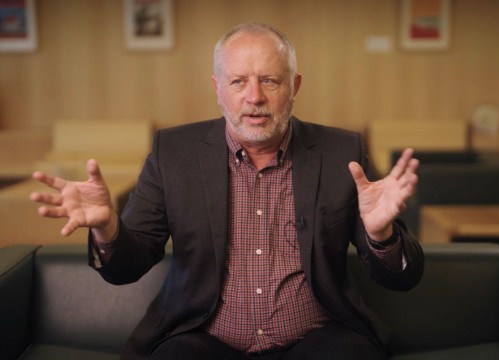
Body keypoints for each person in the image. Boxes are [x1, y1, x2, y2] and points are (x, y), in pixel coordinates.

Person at [30, 22, 424, 360]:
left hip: (319, 340)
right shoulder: (174, 153)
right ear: (218, 89)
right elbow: (126, 267)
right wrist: (106, 229)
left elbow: (403, 279)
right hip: (204, 341)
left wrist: (380, 235)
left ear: (294, 86)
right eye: (239, 81)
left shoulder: (343, 152)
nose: (254, 97)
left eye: (269, 80)